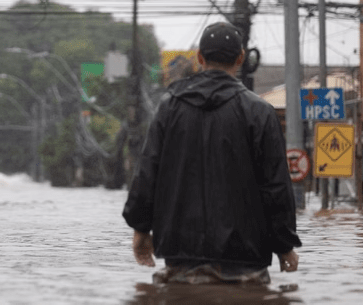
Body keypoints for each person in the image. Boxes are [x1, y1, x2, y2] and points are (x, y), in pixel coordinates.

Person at [123, 22, 301, 284]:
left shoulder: (169, 107)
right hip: (245, 258)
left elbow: (148, 173)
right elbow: (275, 187)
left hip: (180, 255)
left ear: (199, 58)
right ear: (240, 58)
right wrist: (285, 245)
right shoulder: (259, 112)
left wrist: (140, 229)